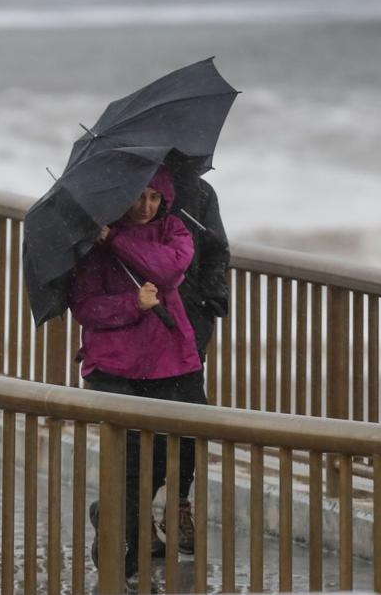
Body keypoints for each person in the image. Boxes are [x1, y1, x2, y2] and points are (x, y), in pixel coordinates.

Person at [68, 166, 204, 580]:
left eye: (154, 198)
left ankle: (112, 515)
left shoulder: (174, 230)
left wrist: (118, 240)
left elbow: (166, 271)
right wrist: (134, 305)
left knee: (177, 448)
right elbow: (85, 308)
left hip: (172, 361)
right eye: (138, 196)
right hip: (117, 367)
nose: (146, 207)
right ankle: (120, 559)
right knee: (129, 465)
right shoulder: (92, 244)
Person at [166, 173, 230, 554]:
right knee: (137, 430)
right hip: (136, 334)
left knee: (189, 421)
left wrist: (209, 302)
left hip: (189, 328)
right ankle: (126, 516)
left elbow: (218, 250)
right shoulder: (125, 192)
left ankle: (178, 505)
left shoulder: (199, 193)